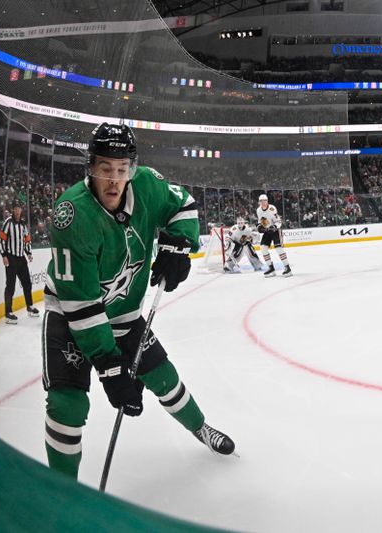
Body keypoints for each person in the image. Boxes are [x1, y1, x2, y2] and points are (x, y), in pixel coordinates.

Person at [42, 123, 236, 480]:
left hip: (126, 314)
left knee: (164, 376)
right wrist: (109, 366)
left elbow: (184, 205)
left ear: (132, 168)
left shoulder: (147, 184)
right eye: (105, 169)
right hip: (72, 316)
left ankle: (200, 427)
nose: (115, 180)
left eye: (122, 169)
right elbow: (82, 305)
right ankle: (60, 490)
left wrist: (179, 243)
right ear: (90, 168)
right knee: (67, 404)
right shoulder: (72, 214)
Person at [0, 203, 39, 324]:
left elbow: (27, 239)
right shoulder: (8, 222)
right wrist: (4, 255)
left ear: (21, 210)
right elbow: (1, 239)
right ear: (12, 210)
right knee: (10, 286)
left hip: (21, 258)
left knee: (27, 283)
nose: (17, 211)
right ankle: (8, 313)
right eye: (15, 209)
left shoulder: (22, 224)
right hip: (11, 257)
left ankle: (30, 306)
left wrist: (29, 253)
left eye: (19, 209)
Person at [256, 193, 292, 277]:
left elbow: (278, 221)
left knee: (279, 248)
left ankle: (287, 268)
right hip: (267, 230)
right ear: (259, 202)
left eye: (265, 200)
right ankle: (271, 268)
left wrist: (274, 226)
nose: (263, 202)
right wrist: (259, 227)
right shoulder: (258, 210)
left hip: (276, 231)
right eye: (261, 201)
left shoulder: (272, 209)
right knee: (263, 248)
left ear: (267, 201)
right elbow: (260, 221)